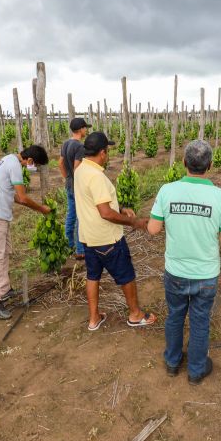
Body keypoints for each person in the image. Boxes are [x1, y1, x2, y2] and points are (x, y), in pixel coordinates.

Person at [146, 140, 221, 385]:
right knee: (200, 320)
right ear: (210, 165)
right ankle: (197, 370)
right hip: (206, 275)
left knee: (175, 316)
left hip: (175, 271)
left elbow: (153, 229)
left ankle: (172, 362)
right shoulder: (220, 196)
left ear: (184, 163)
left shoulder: (167, 191)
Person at [74, 131, 157, 330]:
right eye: (108, 151)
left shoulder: (80, 170)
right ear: (102, 152)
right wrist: (134, 222)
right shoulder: (96, 177)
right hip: (107, 239)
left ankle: (94, 318)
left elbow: (96, 203)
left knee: (93, 276)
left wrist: (120, 210)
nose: (108, 154)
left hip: (88, 237)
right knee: (126, 275)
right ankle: (135, 315)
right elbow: (105, 213)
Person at [0, 145, 50, 320]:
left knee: (4, 252)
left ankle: (4, 289)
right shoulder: (15, 166)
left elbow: (13, 195)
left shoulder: (8, 159)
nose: (34, 168)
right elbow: (23, 198)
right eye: (37, 165)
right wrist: (41, 209)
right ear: (31, 160)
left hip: (0, 213)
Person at [60, 117, 91, 261]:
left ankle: (68, 246)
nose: (86, 130)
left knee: (71, 215)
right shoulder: (79, 146)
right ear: (80, 129)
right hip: (77, 186)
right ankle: (80, 250)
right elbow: (77, 167)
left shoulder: (66, 143)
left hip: (69, 184)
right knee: (80, 217)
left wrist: (67, 177)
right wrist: (80, 183)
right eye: (85, 128)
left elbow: (60, 162)